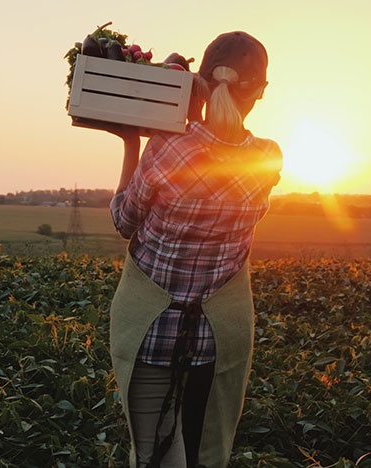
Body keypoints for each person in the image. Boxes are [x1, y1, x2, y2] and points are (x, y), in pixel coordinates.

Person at [106, 31, 282, 468]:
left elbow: (123, 221)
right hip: (216, 339)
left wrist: (133, 139)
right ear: (259, 93)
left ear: (199, 83)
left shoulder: (168, 149)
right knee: (205, 452)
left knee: (153, 455)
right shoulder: (268, 159)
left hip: (151, 334)